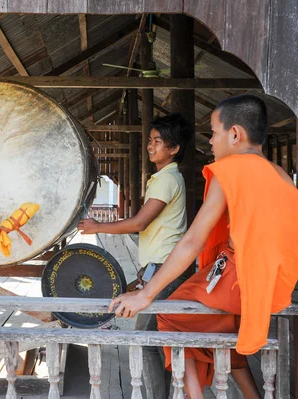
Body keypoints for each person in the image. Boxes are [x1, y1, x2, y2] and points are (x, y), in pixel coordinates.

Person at [108, 95, 298, 399]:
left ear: (235, 134)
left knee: (170, 316)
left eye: (214, 132)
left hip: (238, 278)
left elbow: (193, 241)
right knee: (222, 326)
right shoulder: (281, 176)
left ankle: (194, 396)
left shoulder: (231, 170)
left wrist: (145, 294)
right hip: (275, 284)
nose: (211, 142)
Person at [78, 113, 193, 399]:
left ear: (174, 148)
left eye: (158, 141)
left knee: (145, 341)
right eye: (150, 141)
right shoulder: (164, 178)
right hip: (159, 268)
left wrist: (98, 227)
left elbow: (140, 223)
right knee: (154, 339)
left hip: (167, 269)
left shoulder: (167, 180)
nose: (151, 146)